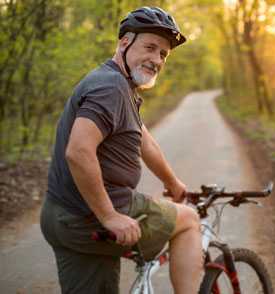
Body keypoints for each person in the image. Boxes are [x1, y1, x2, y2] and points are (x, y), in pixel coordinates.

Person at [40, 7, 203, 294]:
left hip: (60, 215)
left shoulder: (117, 84)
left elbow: (145, 141)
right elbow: (78, 151)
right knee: (189, 221)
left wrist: (173, 183)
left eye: (163, 54)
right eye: (150, 47)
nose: (156, 59)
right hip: (90, 216)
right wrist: (109, 216)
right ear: (124, 43)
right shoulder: (111, 87)